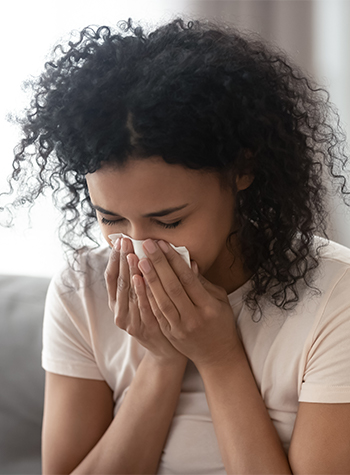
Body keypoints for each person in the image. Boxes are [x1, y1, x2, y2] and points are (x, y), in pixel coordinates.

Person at [2, 17, 350, 474]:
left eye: (168, 220)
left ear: (242, 170)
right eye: (110, 219)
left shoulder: (335, 295)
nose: (139, 246)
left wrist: (219, 357)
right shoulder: (80, 291)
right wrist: (162, 360)